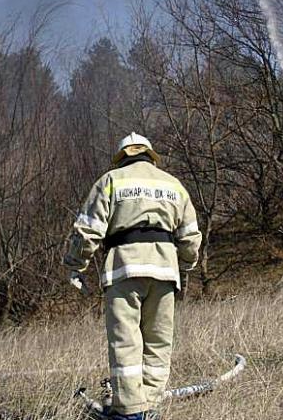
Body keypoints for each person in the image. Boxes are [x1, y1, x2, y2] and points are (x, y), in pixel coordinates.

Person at [64, 133, 202, 420]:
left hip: (123, 269)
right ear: (152, 156)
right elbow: (190, 236)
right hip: (165, 272)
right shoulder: (173, 185)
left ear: (122, 157)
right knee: (158, 343)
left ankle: (129, 413)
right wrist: (186, 264)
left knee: (126, 342)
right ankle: (150, 406)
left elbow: (88, 231)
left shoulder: (110, 181)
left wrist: (76, 265)